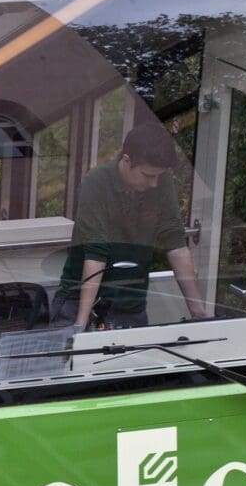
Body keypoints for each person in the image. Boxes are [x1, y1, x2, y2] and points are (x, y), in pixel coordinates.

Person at [56, 115, 208, 330]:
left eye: (159, 176)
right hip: (79, 300)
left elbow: (175, 243)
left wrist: (198, 312)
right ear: (126, 161)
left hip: (131, 302)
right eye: (148, 175)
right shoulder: (97, 181)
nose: (155, 183)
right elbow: (96, 253)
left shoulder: (160, 181)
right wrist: (80, 325)